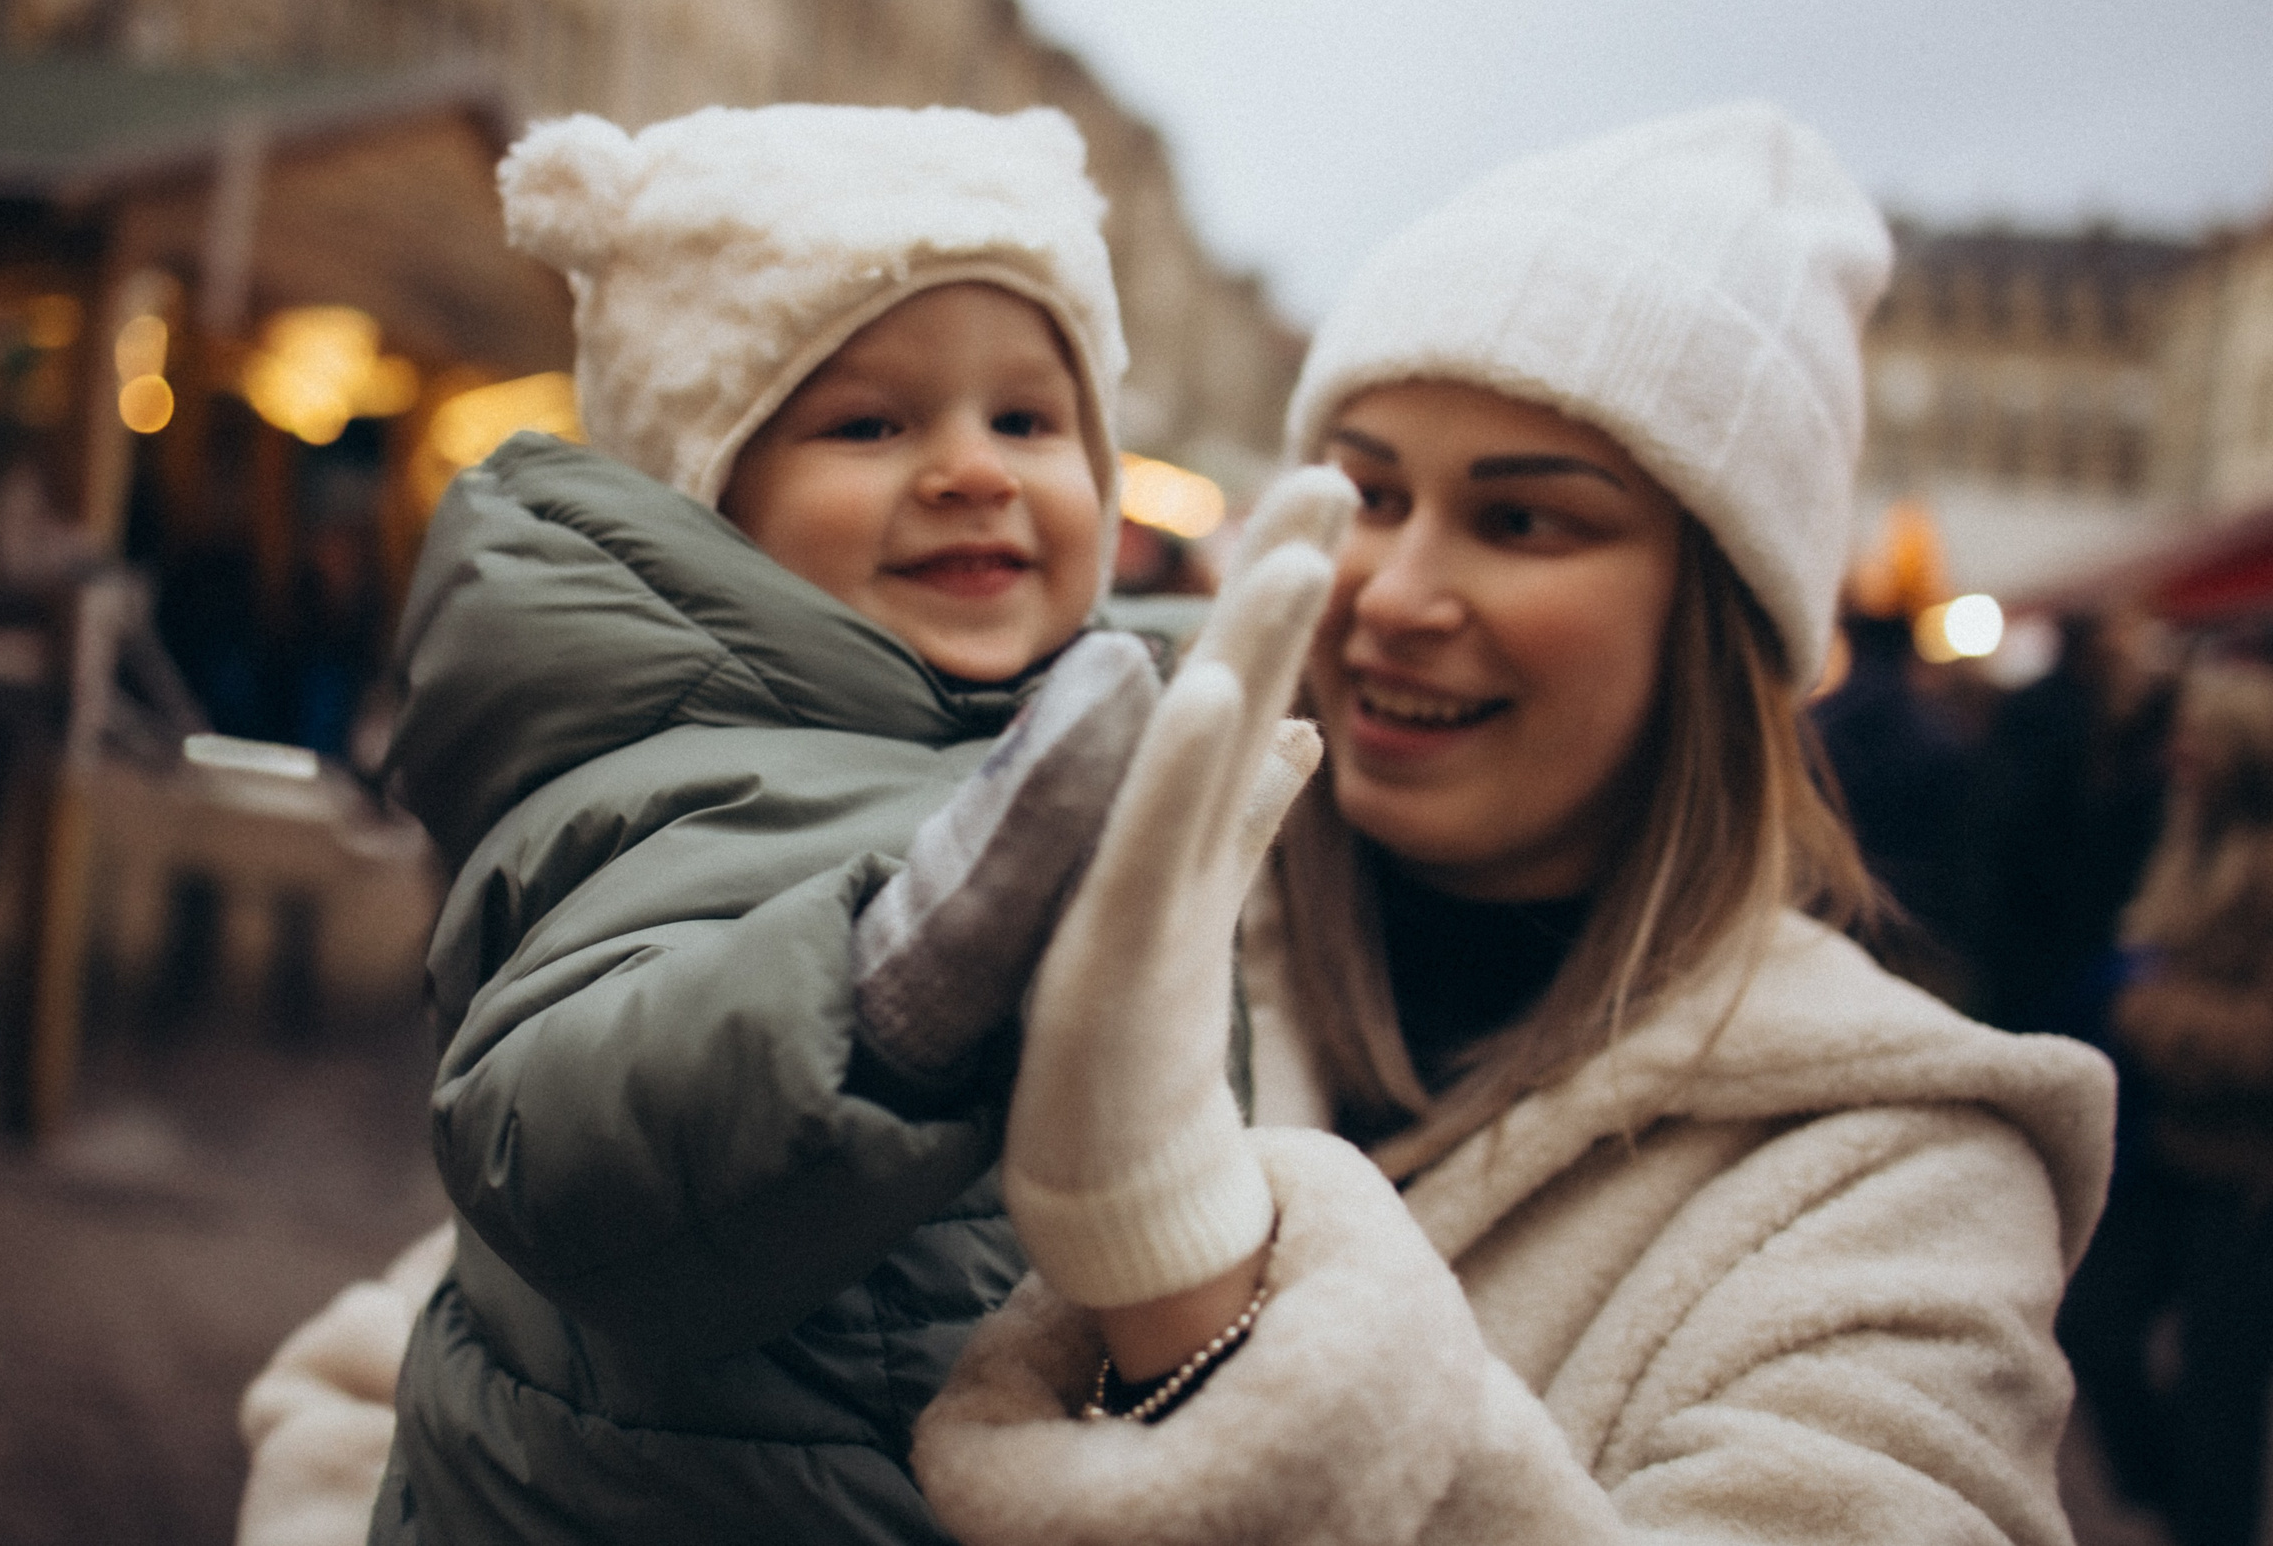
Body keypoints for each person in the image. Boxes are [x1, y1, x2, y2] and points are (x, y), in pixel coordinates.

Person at [911, 103, 2117, 1546]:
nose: (1394, 589)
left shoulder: (1898, 1173)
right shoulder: (1097, 920)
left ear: (1714, 615)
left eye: (1523, 519)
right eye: (1367, 492)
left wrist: (1186, 1274)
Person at [236, 101, 1336, 1546]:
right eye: (869, 424)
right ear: (711, 495)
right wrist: (890, 987)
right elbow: (554, 1133)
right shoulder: (650, 770)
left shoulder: (1083, 737)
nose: (975, 469)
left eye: (1027, 418)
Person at [2098, 659, 2273, 1546]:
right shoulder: (2184, 838)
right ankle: (2178, 1505)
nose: (2180, 751)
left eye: (2200, 738)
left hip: (2245, 1175)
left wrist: (2153, 1016)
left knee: (2222, 1388)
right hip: (2168, 1149)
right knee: (2096, 1326)